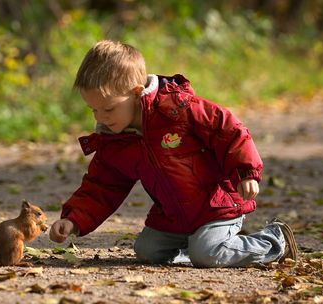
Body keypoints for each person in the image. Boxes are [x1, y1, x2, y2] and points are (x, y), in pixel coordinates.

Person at [49, 40, 298, 267]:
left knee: (207, 254)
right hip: (174, 218)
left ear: (136, 93)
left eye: (109, 109)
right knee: (147, 251)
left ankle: (274, 240)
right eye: (93, 110)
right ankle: (199, 246)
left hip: (217, 207)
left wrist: (246, 172)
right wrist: (73, 220)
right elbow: (101, 186)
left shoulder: (178, 109)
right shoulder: (114, 141)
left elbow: (229, 130)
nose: (101, 118)